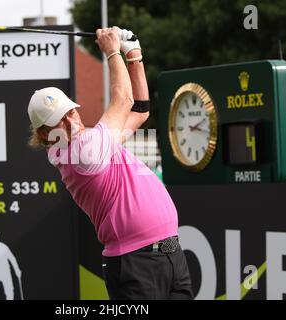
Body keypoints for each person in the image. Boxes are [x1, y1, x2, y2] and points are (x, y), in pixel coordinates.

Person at [27, 27, 193, 300]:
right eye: (60, 119)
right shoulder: (82, 152)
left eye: (70, 112)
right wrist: (112, 50)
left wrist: (134, 55)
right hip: (135, 264)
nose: (72, 121)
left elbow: (139, 111)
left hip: (169, 254)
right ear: (45, 133)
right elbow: (124, 99)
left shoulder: (92, 141)